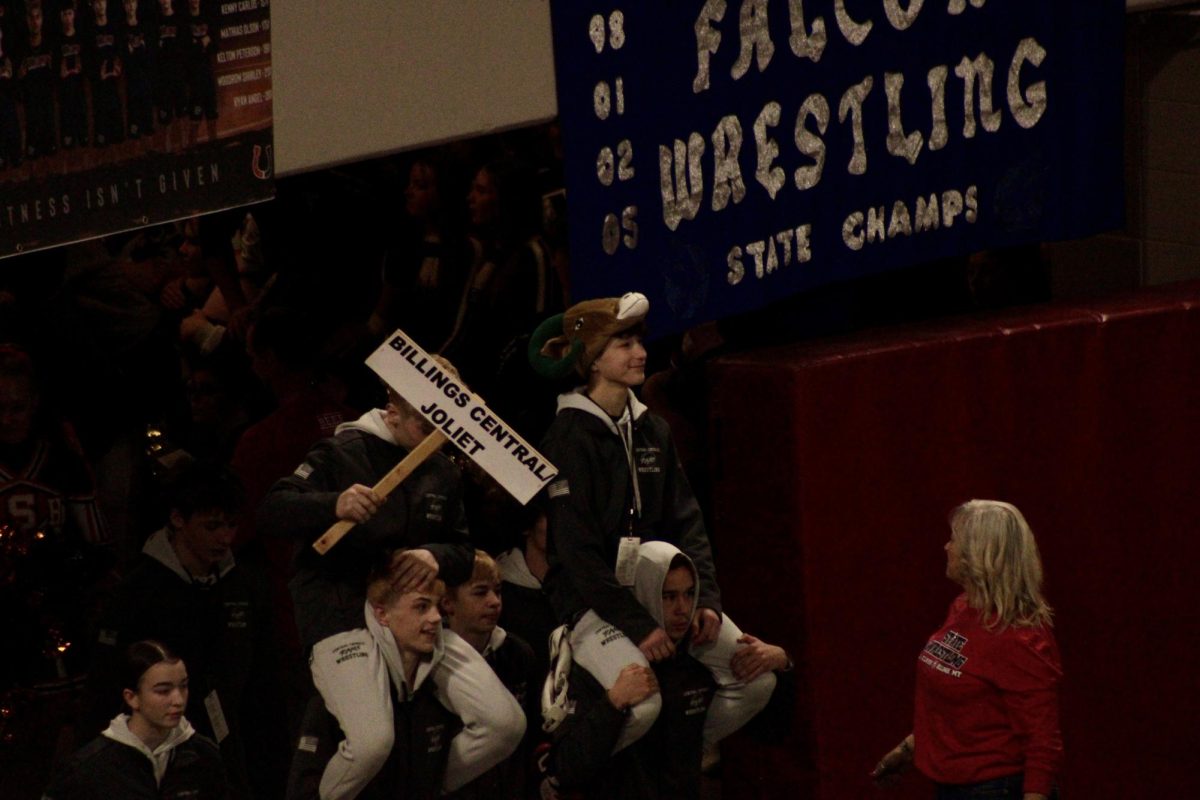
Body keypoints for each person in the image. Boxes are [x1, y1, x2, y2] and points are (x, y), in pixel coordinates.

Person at [259, 360, 522, 800]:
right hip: (343, 611)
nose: (434, 426)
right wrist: (333, 504)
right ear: (393, 408)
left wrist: (432, 556)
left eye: (443, 416)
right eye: (424, 413)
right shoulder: (341, 453)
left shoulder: (444, 471)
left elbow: (461, 551)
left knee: (503, 724)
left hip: (415, 616)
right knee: (370, 744)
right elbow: (272, 511)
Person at [529, 292, 776, 754]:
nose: (640, 352)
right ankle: (565, 769)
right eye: (623, 344)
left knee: (756, 679)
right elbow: (576, 552)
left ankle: (669, 759)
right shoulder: (567, 438)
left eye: (639, 341)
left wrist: (707, 599)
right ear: (593, 360)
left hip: (656, 587)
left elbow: (688, 521)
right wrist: (638, 624)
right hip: (592, 601)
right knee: (642, 706)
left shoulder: (652, 428)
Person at [83, 462, 286, 800]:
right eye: (212, 526)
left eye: (231, 526)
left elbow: (264, 687)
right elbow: (104, 687)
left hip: (226, 752)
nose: (225, 537)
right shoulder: (137, 592)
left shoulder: (246, 587)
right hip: (151, 755)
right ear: (178, 519)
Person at [549, 540, 791, 799]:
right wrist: (613, 702)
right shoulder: (601, 666)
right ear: (643, 593)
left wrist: (781, 662)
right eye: (668, 596)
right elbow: (565, 767)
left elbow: (773, 730)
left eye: (689, 594)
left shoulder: (698, 659)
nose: (683, 609)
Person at [286, 551, 525, 800]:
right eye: (421, 607)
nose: (435, 618)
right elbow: (303, 787)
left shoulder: (437, 693)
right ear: (382, 615)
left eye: (435, 606)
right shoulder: (338, 697)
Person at [870, 500, 1063, 800]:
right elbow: (964, 703)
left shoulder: (1019, 636)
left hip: (995, 788)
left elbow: (1042, 742)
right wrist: (912, 746)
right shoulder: (963, 607)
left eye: (955, 539)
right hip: (953, 786)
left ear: (980, 553)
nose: (947, 547)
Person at [45, 640, 231, 800]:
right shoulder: (89, 768)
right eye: (163, 691)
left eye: (183, 687)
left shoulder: (204, 756)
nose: (178, 700)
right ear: (132, 697)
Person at [440, 550, 541, 800]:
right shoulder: (434, 659)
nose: (494, 601)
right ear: (447, 602)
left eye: (497, 591)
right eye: (480, 592)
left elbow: (530, 736)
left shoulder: (517, 653)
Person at [496, 505, 557, 681]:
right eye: (548, 517)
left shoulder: (574, 582)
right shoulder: (501, 583)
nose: (556, 525)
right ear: (527, 526)